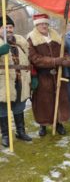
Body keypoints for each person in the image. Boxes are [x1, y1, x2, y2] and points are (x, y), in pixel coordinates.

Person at [28, 14, 70, 136]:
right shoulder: (31, 39)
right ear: (36, 25)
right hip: (42, 76)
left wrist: (68, 60)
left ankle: (59, 123)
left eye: (46, 23)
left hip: (58, 75)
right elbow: (35, 59)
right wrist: (55, 61)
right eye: (41, 24)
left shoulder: (56, 37)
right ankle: (43, 125)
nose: (44, 26)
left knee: (59, 99)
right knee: (43, 102)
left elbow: (65, 51)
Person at [0, 15, 32, 147]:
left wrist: (33, 77)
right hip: (3, 81)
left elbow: (30, 59)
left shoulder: (21, 41)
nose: (8, 29)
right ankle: (6, 135)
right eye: (5, 27)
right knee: (3, 108)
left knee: (19, 106)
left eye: (10, 27)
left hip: (21, 79)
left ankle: (20, 131)